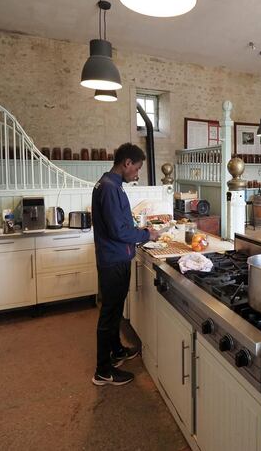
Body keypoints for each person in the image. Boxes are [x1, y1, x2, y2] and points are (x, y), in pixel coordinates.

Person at [91, 143, 159, 386]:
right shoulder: (110, 188)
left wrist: (138, 230)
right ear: (126, 163)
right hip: (114, 260)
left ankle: (117, 351)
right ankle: (102, 370)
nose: (137, 174)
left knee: (115, 310)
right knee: (109, 314)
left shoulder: (109, 184)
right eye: (137, 168)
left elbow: (119, 225)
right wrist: (146, 236)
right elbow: (118, 230)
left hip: (115, 256)